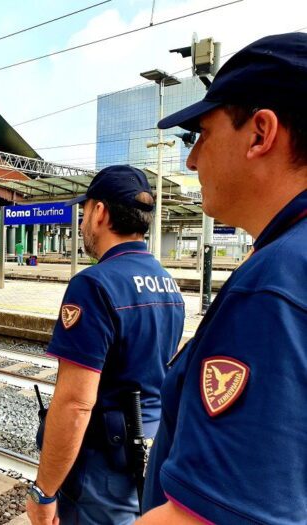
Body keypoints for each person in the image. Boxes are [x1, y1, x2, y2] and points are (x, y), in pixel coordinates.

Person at [138, 33, 307, 525]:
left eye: (201, 136)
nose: (191, 161)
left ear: (260, 133)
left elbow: (204, 518)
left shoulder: (275, 284)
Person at [26, 165, 185, 525]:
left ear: (100, 212)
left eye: (84, 211)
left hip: (101, 468)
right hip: (150, 452)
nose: (82, 222)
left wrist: (44, 491)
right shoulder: (167, 283)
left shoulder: (94, 285)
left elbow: (76, 403)